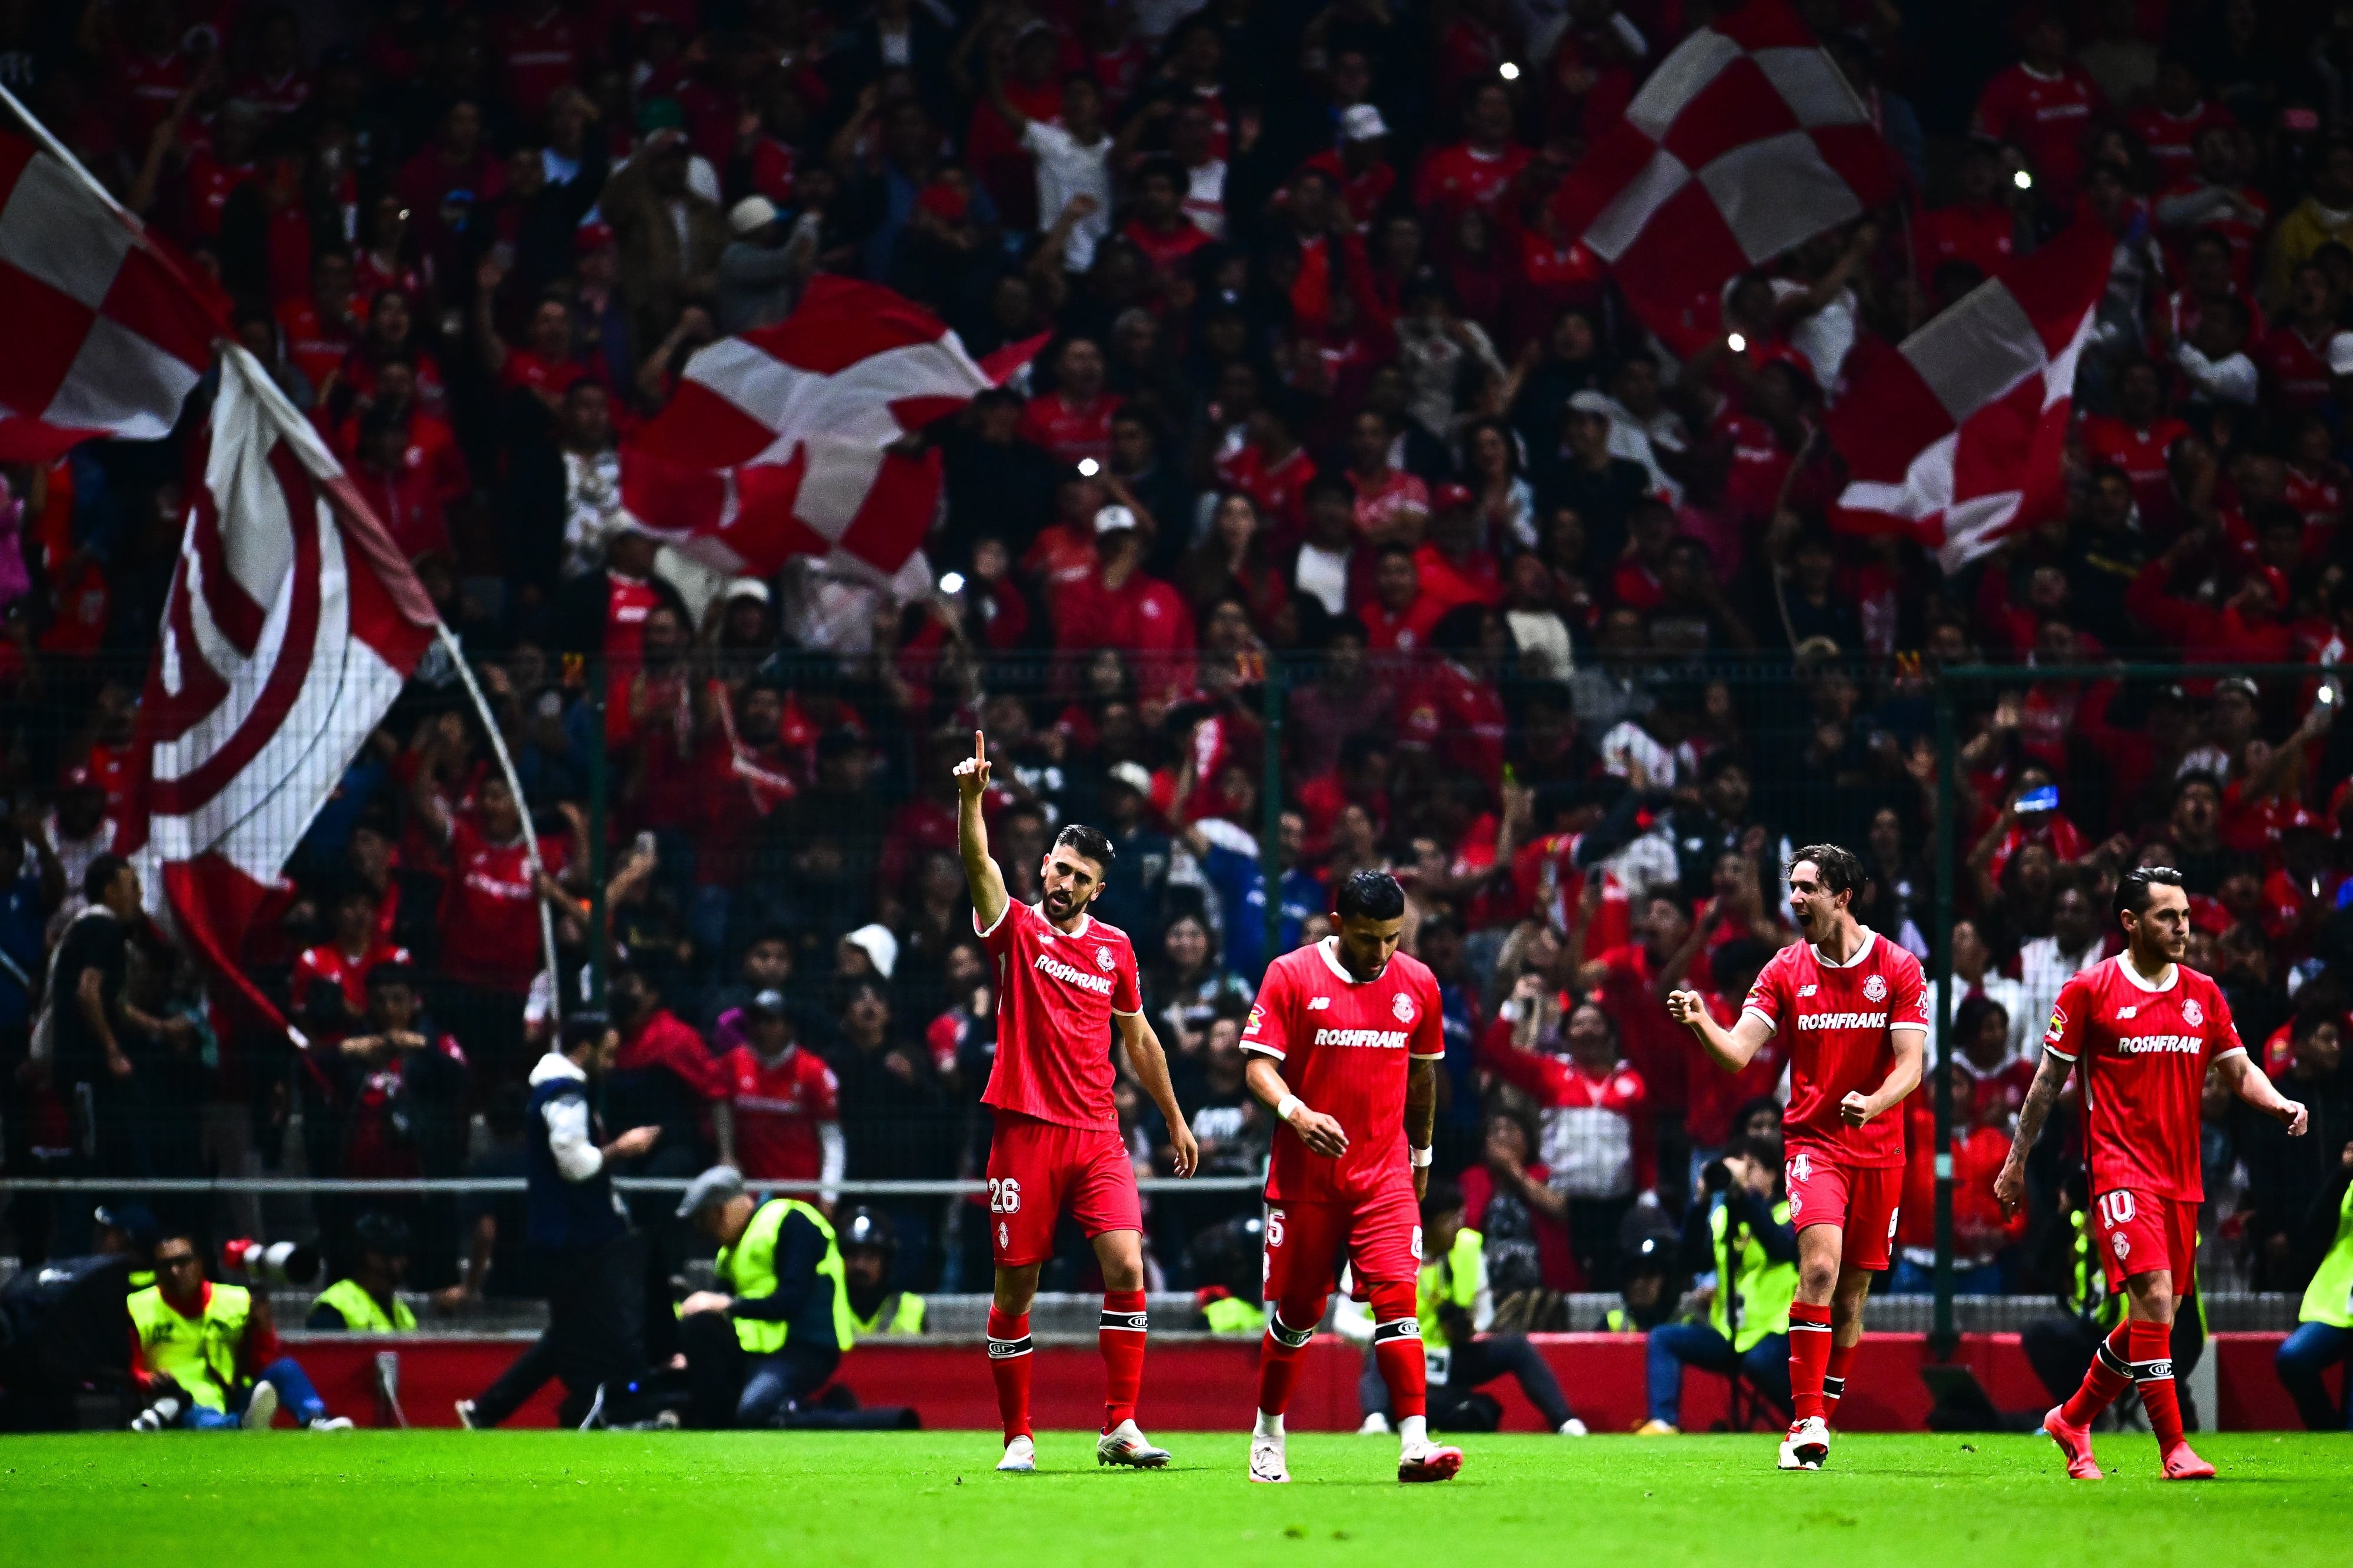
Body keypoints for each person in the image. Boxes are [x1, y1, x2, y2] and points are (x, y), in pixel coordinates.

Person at [1996, 866, 2308, 1480]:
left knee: (2153, 1317)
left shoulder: (2204, 993)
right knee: (2156, 1301)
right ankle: (2174, 1448)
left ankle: (2072, 1418)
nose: (2183, 927)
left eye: (2186, 915)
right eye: (2168, 916)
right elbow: (2046, 1083)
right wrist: (2016, 1161)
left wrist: (2278, 1103)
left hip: (2180, 1180)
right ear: (2130, 923)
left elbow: (2238, 1069)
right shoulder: (2089, 990)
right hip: (2118, 1170)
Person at [954, 731, 1198, 1473]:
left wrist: (1174, 1117)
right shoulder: (1016, 928)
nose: (1064, 882)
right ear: (1043, 866)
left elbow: (1140, 1038)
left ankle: (1120, 1425)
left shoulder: (1115, 948)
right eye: (1059, 868)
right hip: (1025, 1128)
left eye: (1079, 876)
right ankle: (1018, 1435)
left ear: (1097, 889)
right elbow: (978, 864)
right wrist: (970, 801)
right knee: (1016, 1285)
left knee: (1126, 1264)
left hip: (1096, 1132)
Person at [1667, 843, 1928, 1471]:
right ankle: (1806, 1421)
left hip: (1880, 1148)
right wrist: (1702, 1021)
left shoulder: (1897, 966)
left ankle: (1819, 1422)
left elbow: (1911, 1066)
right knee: (1818, 1269)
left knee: (1852, 1299)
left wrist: (1873, 1101)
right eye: (1792, 887)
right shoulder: (1784, 968)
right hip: (1814, 1143)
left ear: (1843, 895)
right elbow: (1737, 1053)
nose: (1795, 899)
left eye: (1808, 888)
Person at [1239, 869, 1461, 1486]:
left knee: (1398, 1301)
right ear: (1339, 925)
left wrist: (1421, 1158)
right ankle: (1268, 1434)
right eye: (1368, 938)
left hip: (1383, 1174)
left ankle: (1414, 1444)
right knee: (1298, 1314)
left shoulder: (1418, 983)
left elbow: (1422, 1077)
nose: (1381, 951)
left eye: (1392, 937)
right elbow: (1258, 1067)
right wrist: (1297, 1112)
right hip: (1306, 1179)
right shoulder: (1291, 974)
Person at [457, 1013, 661, 1430]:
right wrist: (622, 1149)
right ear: (584, 1050)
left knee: (571, 1331)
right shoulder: (566, 1094)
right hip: (578, 1234)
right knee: (609, 1326)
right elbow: (575, 1164)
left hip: (569, 1232)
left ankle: (489, 1409)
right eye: (607, 1054)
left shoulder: (558, 1090)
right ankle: (611, 1408)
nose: (612, 1064)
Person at [1357, 1180, 1583, 1436]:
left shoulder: (1468, 1247)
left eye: (1461, 1218)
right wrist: (1389, 1332)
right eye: (1450, 1220)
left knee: (1517, 1347)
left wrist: (1468, 1327)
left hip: (1449, 1357)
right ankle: (1375, 1421)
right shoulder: (1384, 1249)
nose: (1459, 1227)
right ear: (1426, 1225)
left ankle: (1567, 1422)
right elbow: (1344, 1320)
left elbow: (1484, 1316)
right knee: (1383, 1343)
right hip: (1403, 1358)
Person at [675, 1166, 855, 1429]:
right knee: (700, 1328)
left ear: (721, 1211)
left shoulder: (791, 1220)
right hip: (759, 1351)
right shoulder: (730, 1252)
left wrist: (726, 1303)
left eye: (705, 1221)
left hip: (806, 1346)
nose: (704, 1232)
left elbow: (792, 1300)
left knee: (754, 1410)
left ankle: (836, 1412)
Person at [1638, 1137, 1797, 1435]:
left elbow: (1780, 1248)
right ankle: (1663, 1422)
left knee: (1758, 1361)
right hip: (1729, 1333)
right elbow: (1689, 1261)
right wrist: (1699, 1203)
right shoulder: (1723, 1218)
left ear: (1774, 1174)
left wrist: (1747, 1197)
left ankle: (1811, 1420)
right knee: (1663, 1338)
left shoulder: (1789, 1212)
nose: (1742, 1175)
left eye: (1751, 1168)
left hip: (1776, 1331)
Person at [128, 1232, 351, 1432]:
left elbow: (260, 1364)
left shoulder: (236, 1300)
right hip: (180, 1401)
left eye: (183, 1262)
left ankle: (316, 1418)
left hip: (230, 1394)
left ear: (199, 1263)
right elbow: (131, 1369)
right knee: (200, 1417)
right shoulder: (139, 1306)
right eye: (166, 1265)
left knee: (285, 1368)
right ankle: (242, 1425)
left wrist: (264, 1330)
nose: (175, 1271)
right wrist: (152, 1381)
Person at [2274, 1136, 2353, 1430]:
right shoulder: (2349, 1181)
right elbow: (2315, 1225)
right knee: (2294, 1358)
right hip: (2338, 1301)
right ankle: (2326, 1430)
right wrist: (2342, 1172)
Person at [305, 1212, 418, 1332]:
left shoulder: (400, 1310)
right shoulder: (335, 1308)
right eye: (396, 1253)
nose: (404, 1262)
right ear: (371, 1257)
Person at [840, 1207, 928, 1337]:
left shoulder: (911, 1307)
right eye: (852, 1256)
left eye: (870, 1257)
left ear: (886, 1262)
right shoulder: (825, 1307)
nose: (860, 1265)